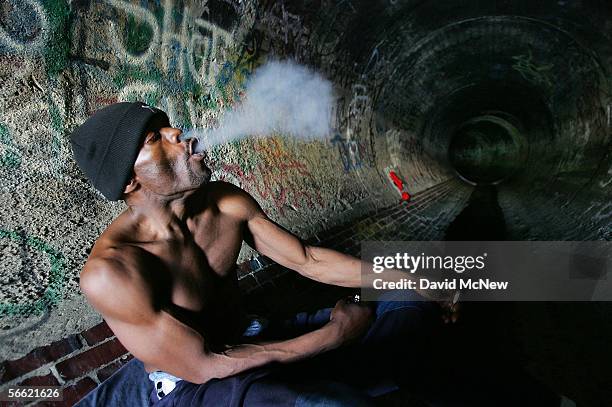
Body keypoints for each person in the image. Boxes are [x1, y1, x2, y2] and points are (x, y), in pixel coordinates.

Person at [70, 101, 460, 406]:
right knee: (332, 404)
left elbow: (308, 259)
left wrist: (419, 281)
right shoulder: (113, 271)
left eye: (166, 125)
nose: (176, 132)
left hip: (255, 337)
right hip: (196, 387)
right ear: (129, 181)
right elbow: (206, 364)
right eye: (154, 138)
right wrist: (336, 333)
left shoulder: (225, 201)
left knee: (409, 305)